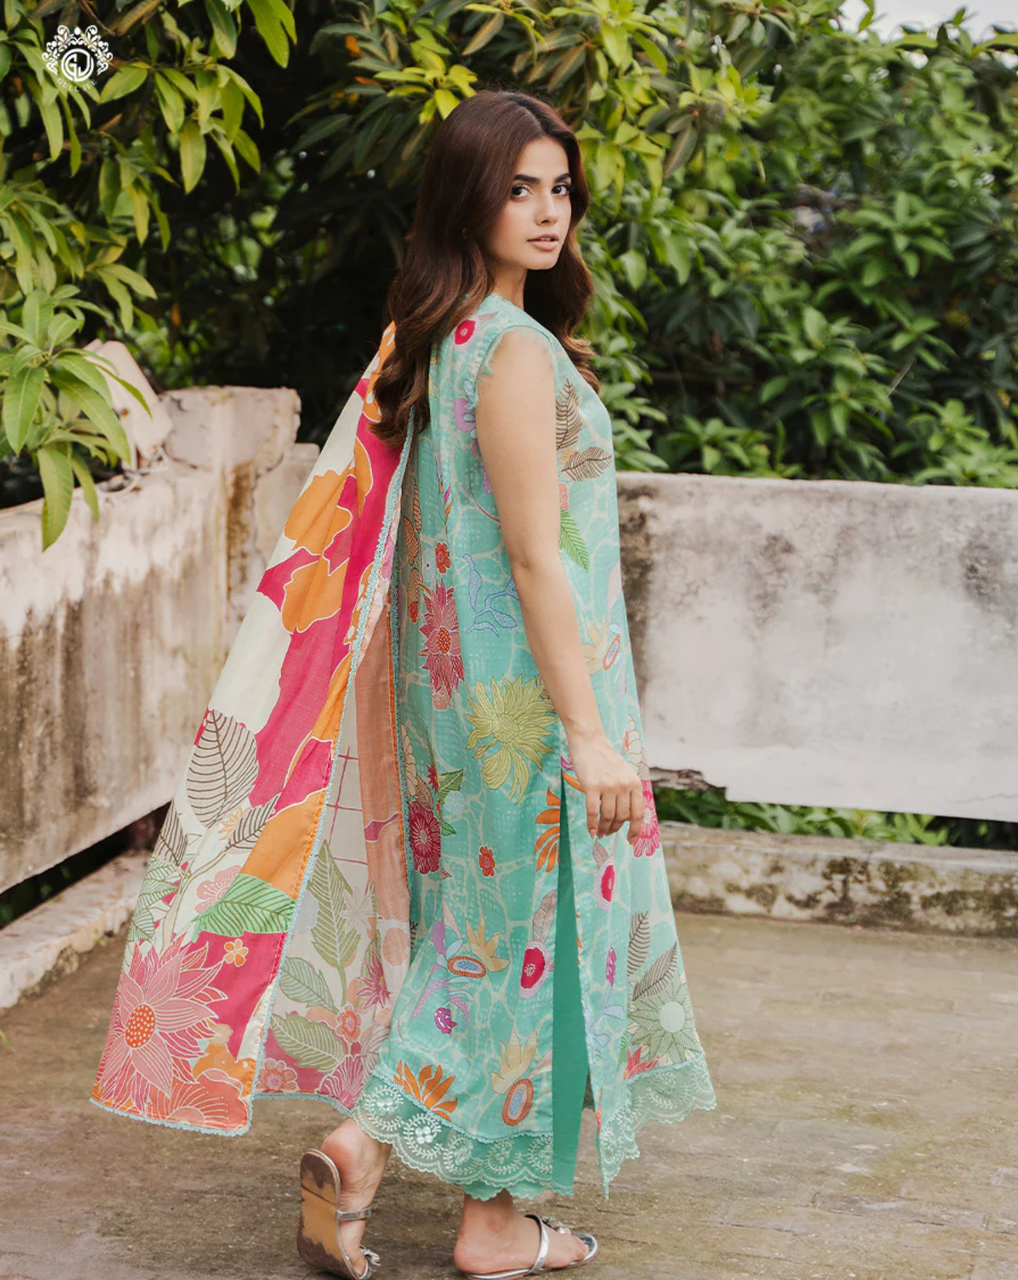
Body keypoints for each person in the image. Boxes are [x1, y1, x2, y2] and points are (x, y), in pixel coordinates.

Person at [89, 89, 716, 1280]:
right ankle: (370, 1146)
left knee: (489, 943)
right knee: (514, 946)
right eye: (517, 187)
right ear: (464, 201)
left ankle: (490, 1218)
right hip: (529, 704)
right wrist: (587, 734)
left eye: (559, 187)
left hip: (455, 697)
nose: (546, 211)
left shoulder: (436, 339)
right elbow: (535, 552)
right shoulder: (513, 352)